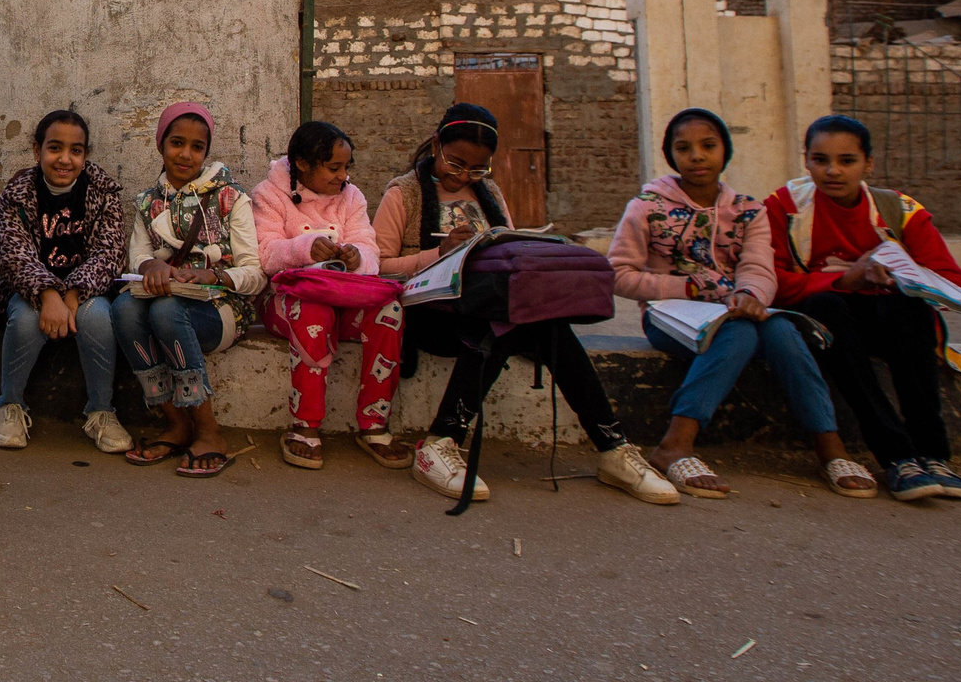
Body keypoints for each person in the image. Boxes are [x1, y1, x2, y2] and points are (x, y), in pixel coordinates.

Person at [374, 103, 676, 506]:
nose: (464, 176)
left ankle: (613, 448)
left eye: (477, 169)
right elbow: (378, 267)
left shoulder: (490, 194)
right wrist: (438, 254)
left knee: (549, 327)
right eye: (456, 163)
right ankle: (440, 442)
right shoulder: (403, 193)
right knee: (501, 324)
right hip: (430, 313)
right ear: (436, 145)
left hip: (485, 305)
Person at [611, 108, 876, 499]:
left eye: (708, 146)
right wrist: (687, 289)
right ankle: (675, 444)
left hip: (737, 310)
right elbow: (619, 274)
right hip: (671, 317)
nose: (697, 156)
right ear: (671, 155)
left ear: (725, 151)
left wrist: (750, 295)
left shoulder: (750, 211)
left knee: (782, 328)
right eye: (684, 148)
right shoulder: (646, 207)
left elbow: (758, 267)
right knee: (735, 330)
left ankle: (828, 444)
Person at [766, 115, 961, 503]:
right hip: (830, 320)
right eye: (820, 160)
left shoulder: (898, 209)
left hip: (889, 318)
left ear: (868, 164)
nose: (832, 171)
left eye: (847, 160)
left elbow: (951, 281)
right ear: (806, 161)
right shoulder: (785, 207)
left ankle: (933, 455)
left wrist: (897, 276)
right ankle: (897, 457)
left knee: (911, 311)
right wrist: (847, 281)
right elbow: (771, 282)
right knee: (825, 304)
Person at [0, 108, 133, 455]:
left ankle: (101, 410)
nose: (65, 159)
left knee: (98, 318)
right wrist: (48, 295)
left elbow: (110, 253)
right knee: (26, 319)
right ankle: (9, 405)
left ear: (85, 155)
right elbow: (15, 256)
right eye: (55, 148)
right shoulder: (17, 194)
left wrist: (71, 293)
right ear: (36, 150)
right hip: (30, 291)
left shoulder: (102, 192)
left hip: (86, 290)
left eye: (76, 150)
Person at [115, 102, 262, 478]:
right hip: (169, 305)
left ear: (206, 152)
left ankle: (209, 431)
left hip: (222, 311)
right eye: (177, 143)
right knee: (123, 310)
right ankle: (176, 423)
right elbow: (138, 255)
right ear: (160, 145)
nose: (186, 154)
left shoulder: (232, 198)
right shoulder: (148, 203)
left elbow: (255, 273)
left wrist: (213, 276)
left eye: (197, 147)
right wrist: (152, 267)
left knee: (165, 312)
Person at [249, 119, 405, 471]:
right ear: (303, 164)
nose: (342, 176)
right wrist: (305, 248)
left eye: (346, 167)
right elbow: (264, 253)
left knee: (389, 313)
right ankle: (305, 425)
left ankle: (374, 423)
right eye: (333, 167)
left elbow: (369, 248)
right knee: (313, 314)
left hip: (345, 298)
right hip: (286, 302)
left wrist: (356, 256)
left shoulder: (352, 197)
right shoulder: (269, 195)